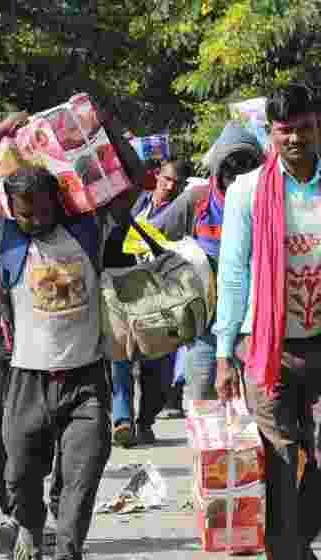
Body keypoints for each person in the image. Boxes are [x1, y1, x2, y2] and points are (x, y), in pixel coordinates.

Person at [0, 109, 143, 560]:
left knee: (81, 479)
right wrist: (0, 133)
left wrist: (106, 127)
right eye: (26, 214)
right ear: (12, 210)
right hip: (26, 380)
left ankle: (67, 549)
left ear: (58, 203)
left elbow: (135, 181)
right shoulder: (4, 238)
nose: (37, 220)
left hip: (86, 381)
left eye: (44, 211)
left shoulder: (87, 230)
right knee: (21, 474)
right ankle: (27, 525)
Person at [213, 85, 321, 560]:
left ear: (318, 127)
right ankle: (287, 551)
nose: (295, 141)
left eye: (304, 130)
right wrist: (225, 352)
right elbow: (233, 272)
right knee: (280, 460)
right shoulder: (247, 191)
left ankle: (290, 545)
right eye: (285, 132)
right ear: (271, 134)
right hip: (266, 347)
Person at [152, 122, 265, 403]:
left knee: (256, 400)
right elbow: (149, 236)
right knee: (203, 395)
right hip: (206, 322)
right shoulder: (197, 199)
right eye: (231, 166)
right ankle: (209, 449)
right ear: (217, 169)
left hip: (253, 321)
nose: (238, 174)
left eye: (246, 166)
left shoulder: (269, 200)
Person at [109, 158, 191, 447]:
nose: (170, 187)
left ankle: (145, 421)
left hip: (162, 301)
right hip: (123, 292)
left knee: (158, 370)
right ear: (157, 176)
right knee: (119, 357)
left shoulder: (184, 214)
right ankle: (122, 419)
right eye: (167, 180)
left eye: (177, 184)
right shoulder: (135, 202)